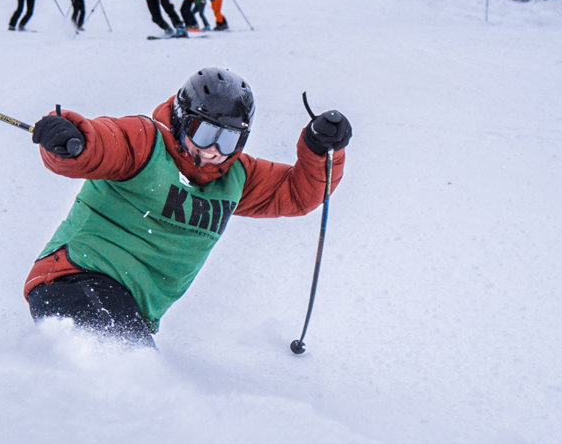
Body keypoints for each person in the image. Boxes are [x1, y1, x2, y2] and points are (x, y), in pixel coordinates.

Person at [24, 67, 353, 346]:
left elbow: (297, 193)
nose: (214, 149)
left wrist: (319, 150)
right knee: (129, 372)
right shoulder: (144, 142)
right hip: (73, 279)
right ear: (182, 120)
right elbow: (102, 144)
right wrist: (70, 140)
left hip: (129, 307)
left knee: (125, 378)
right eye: (205, 133)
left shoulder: (236, 177)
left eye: (229, 139)